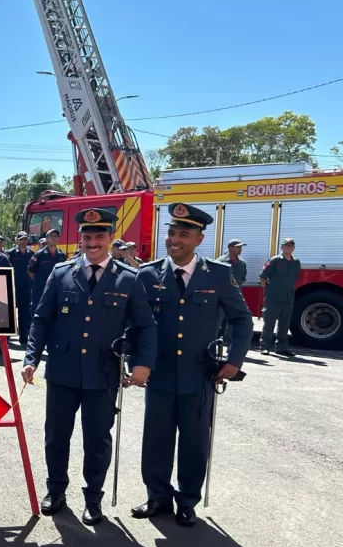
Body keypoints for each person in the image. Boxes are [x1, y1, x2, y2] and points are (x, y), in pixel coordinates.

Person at [22, 208, 156, 525]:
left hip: (103, 373)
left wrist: (142, 364)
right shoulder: (60, 273)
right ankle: (56, 490)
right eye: (87, 237)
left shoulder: (129, 279)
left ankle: (92, 498)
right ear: (80, 239)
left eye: (99, 237)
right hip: (63, 370)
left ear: (111, 239)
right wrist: (31, 357)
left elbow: (146, 327)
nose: (92, 243)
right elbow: (41, 319)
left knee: (97, 440)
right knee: (56, 436)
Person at [131, 202, 252, 528]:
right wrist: (136, 361)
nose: (175, 239)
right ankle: (157, 496)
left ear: (199, 239)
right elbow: (136, 324)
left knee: (194, 441)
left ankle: (187, 500)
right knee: (156, 438)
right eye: (171, 233)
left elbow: (242, 321)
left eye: (184, 234)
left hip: (200, 375)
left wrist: (234, 360)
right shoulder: (147, 275)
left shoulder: (220, 275)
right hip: (160, 374)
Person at [259, 238, 300, 357]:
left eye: (291, 245)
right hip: (273, 298)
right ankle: (265, 347)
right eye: (286, 245)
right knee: (269, 323)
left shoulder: (296, 262)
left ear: (293, 248)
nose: (288, 247)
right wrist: (270, 289)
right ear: (281, 247)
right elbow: (263, 277)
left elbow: (296, 278)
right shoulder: (275, 260)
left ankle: (281, 348)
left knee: (284, 324)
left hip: (288, 298)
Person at [215, 239, 248, 344]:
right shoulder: (220, 261)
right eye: (238, 247)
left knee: (232, 322)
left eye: (241, 247)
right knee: (217, 321)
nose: (240, 249)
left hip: (234, 297)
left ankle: (229, 343)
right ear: (230, 248)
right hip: (220, 297)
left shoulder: (242, 263)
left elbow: (242, 278)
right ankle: (213, 342)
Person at [28, 228, 67, 312]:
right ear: (47, 239)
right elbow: (30, 271)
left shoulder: (62, 255)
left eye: (55, 236)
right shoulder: (39, 255)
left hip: (56, 290)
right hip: (40, 290)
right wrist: (39, 281)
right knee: (38, 313)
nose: (53, 238)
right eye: (51, 236)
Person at [7, 232, 35, 344]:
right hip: (12, 288)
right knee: (9, 315)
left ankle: (24, 339)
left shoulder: (32, 254)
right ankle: (6, 338)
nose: (23, 241)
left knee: (24, 315)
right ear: (17, 240)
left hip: (27, 289)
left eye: (25, 239)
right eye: (21, 239)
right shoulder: (10, 254)